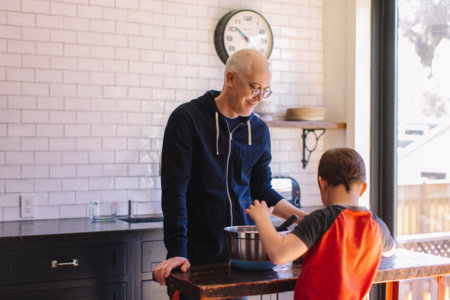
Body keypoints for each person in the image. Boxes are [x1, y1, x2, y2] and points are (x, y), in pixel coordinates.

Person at [153, 48, 307, 296]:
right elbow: (175, 192)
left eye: (264, 91)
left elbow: (261, 190)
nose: (259, 98)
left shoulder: (258, 131)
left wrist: (303, 219)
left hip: (241, 260)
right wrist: (177, 252)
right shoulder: (187, 119)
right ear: (231, 78)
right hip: (195, 259)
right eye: (254, 88)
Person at [246, 147, 396, 300]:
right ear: (363, 188)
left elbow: (279, 254)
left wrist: (262, 218)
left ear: (322, 184)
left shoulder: (320, 220)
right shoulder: (377, 225)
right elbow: (390, 251)